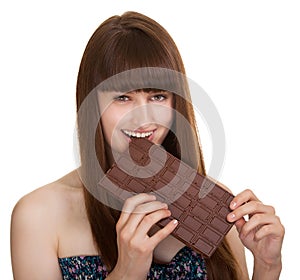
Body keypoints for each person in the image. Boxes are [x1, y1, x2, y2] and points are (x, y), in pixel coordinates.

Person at [10, 11, 284, 280]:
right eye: (123, 97)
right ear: (92, 106)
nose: (143, 118)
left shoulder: (216, 203)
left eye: (157, 96)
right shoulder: (38, 216)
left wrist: (267, 266)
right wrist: (126, 273)